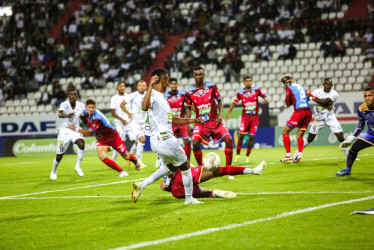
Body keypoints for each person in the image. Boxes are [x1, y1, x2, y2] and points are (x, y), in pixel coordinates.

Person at [131, 68, 205, 205]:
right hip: (165, 139)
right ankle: (189, 199)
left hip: (156, 142)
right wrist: (150, 86)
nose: (167, 84)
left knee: (171, 167)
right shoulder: (152, 94)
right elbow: (145, 106)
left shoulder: (162, 99)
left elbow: (174, 120)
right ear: (162, 80)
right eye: (166, 80)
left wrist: (194, 120)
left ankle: (142, 184)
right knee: (186, 166)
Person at [67, 98, 142, 177]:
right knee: (102, 156)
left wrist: (75, 128)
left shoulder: (97, 117)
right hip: (102, 138)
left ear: (95, 108)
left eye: (93, 108)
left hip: (113, 136)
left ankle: (135, 160)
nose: (91, 109)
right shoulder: (85, 113)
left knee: (125, 156)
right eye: (89, 107)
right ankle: (122, 172)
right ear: (86, 107)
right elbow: (82, 118)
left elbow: (89, 133)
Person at [293, 78, 353, 161]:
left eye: (329, 84)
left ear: (332, 85)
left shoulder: (334, 94)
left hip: (330, 117)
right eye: (326, 84)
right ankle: (297, 154)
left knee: (341, 137)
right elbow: (306, 98)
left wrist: (312, 98)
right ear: (323, 84)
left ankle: (349, 156)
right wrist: (307, 97)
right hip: (319, 118)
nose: (328, 85)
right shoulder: (317, 92)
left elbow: (325, 102)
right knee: (310, 138)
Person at [185, 66, 233, 167]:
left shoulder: (212, 86)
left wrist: (220, 115)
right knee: (195, 142)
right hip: (201, 123)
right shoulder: (189, 92)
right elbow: (188, 107)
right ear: (193, 76)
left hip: (215, 121)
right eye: (196, 75)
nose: (198, 77)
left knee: (229, 139)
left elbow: (219, 101)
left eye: (200, 74)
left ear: (204, 75)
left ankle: (228, 170)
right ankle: (201, 168)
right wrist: (189, 123)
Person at [160, 161, 267, 199]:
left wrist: (167, 185)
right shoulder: (167, 148)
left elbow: (168, 173)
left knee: (200, 191)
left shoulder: (162, 148)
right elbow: (170, 170)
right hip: (180, 178)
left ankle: (213, 193)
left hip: (176, 191)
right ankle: (253, 171)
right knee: (219, 171)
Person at [225, 76, 267, 163]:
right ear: (244, 83)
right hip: (245, 117)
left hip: (254, 117)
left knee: (251, 137)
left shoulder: (256, 90)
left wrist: (265, 98)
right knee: (241, 136)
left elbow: (263, 95)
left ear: (251, 82)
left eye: (250, 81)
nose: (248, 82)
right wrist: (229, 113)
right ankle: (237, 155)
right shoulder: (240, 93)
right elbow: (234, 103)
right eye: (246, 81)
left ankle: (247, 156)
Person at [336, 88, 374, 177]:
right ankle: (347, 170)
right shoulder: (361, 109)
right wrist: (351, 139)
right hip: (371, 135)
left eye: (370, 95)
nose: (367, 98)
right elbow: (360, 126)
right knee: (353, 149)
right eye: (365, 96)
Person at [50, 88, 85, 180]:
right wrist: (67, 115)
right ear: (68, 96)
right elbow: (60, 114)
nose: (74, 96)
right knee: (59, 155)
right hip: (64, 131)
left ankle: (77, 167)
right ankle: (53, 170)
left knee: (81, 144)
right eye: (72, 95)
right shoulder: (64, 104)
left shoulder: (81, 105)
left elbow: (83, 118)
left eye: (75, 94)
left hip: (75, 130)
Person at [280, 74, 315, 163]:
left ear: (291, 79)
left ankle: (288, 155)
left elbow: (288, 104)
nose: (285, 83)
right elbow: (311, 97)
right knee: (299, 135)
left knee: (285, 131)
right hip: (308, 112)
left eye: (287, 80)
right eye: (284, 82)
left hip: (299, 112)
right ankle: (299, 154)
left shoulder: (289, 88)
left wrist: (288, 92)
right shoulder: (301, 87)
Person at [110, 82, 146, 168]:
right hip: (119, 123)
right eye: (120, 86)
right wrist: (121, 119)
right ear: (117, 88)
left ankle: (135, 159)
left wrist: (129, 115)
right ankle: (113, 159)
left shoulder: (129, 96)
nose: (122, 88)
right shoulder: (114, 98)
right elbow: (113, 112)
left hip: (129, 122)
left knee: (136, 141)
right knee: (119, 142)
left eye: (123, 86)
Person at [164, 78, 191, 161]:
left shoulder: (183, 95)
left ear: (177, 85)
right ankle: (171, 160)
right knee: (170, 143)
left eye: (175, 83)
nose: (173, 85)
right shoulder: (165, 96)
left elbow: (188, 107)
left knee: (186, 141)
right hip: (171, 123)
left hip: (182, 121)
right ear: (169, 85)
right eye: (172, 84)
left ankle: (187, 161)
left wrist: (188, 122)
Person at [125, 80, 148, 166]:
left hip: (144, 122)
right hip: (134, 122)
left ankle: (130, 157)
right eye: (140, 85)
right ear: (137, 87)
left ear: (146, 87)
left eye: (143, 85)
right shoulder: (132, 95)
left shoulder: (148, 94)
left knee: (138, 142)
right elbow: (122, 104)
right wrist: (128, 113)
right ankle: (139, 160)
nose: (142, 87)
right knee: (142, 139)